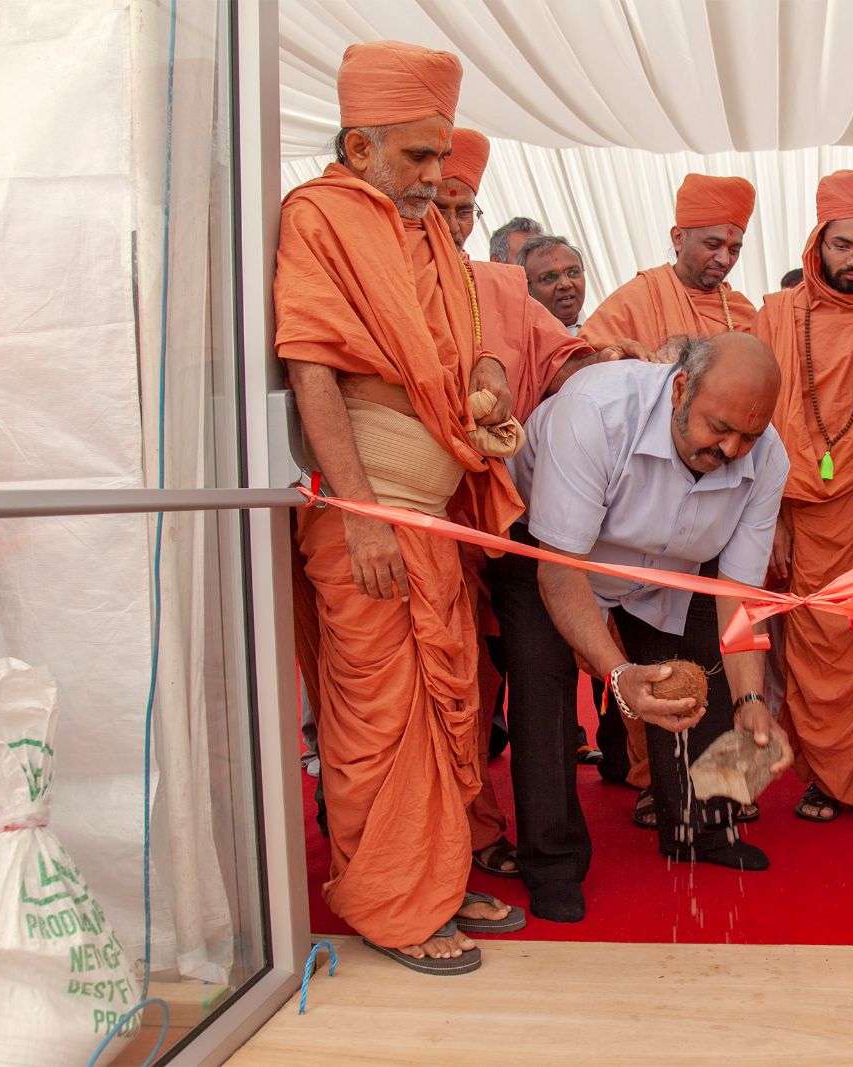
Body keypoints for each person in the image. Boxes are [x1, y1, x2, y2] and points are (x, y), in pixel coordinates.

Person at [275, 41, 524, 974]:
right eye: (419, 155)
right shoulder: (320, 217)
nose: (434, 174)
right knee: (380, 716)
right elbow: (313, 367)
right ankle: (393, 903)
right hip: (369, 519)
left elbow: (465, 344)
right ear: (360, 146)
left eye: (442, 154)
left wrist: (488, 382)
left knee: (445, 706)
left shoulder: (427, 235)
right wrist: (362, 514)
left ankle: (439, 881)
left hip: (432, 516)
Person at [491, 332, 791, 923]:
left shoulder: (768, 457)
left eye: (749, 436)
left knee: (709, 676)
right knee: (542, 691)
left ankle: (703, 829)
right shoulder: (595, 412)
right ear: (680, 389)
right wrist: (618, 672)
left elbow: (736, 594)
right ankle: (552, 862)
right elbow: (560, 569)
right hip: (552, 553)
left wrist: (752, 701)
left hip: (672, 567)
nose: (732, 450)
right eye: (719, 428)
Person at [434, 127, 652, 878]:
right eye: (440, 202)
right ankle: (439, 843)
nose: (450, 221)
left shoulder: (496, 288)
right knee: (435, 685)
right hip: (410, 513)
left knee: (498, 680)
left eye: (463, 208)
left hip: (507, 519)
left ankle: (503, 839)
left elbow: (560, 359)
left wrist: (608, 364)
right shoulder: (369, 273)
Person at [753, 170, 853, 826]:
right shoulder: (775, 315)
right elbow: (757, 424)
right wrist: (773, 518)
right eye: (843, 245)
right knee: (805, 648)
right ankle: (818, 776)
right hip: (796, 511)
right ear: (818, 243)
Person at [579, 174, 758, 348]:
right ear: (678, 238)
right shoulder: (635, 299)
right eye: (712, 245)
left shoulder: (741, 310)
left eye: (734, 250)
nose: (724, 260)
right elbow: (584, 361)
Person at [519, 234, 588, 334]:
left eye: (572, 272)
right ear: (528, 288)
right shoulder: (522, 341)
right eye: (549, 277)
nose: (565, 284)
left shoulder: (606, 331)